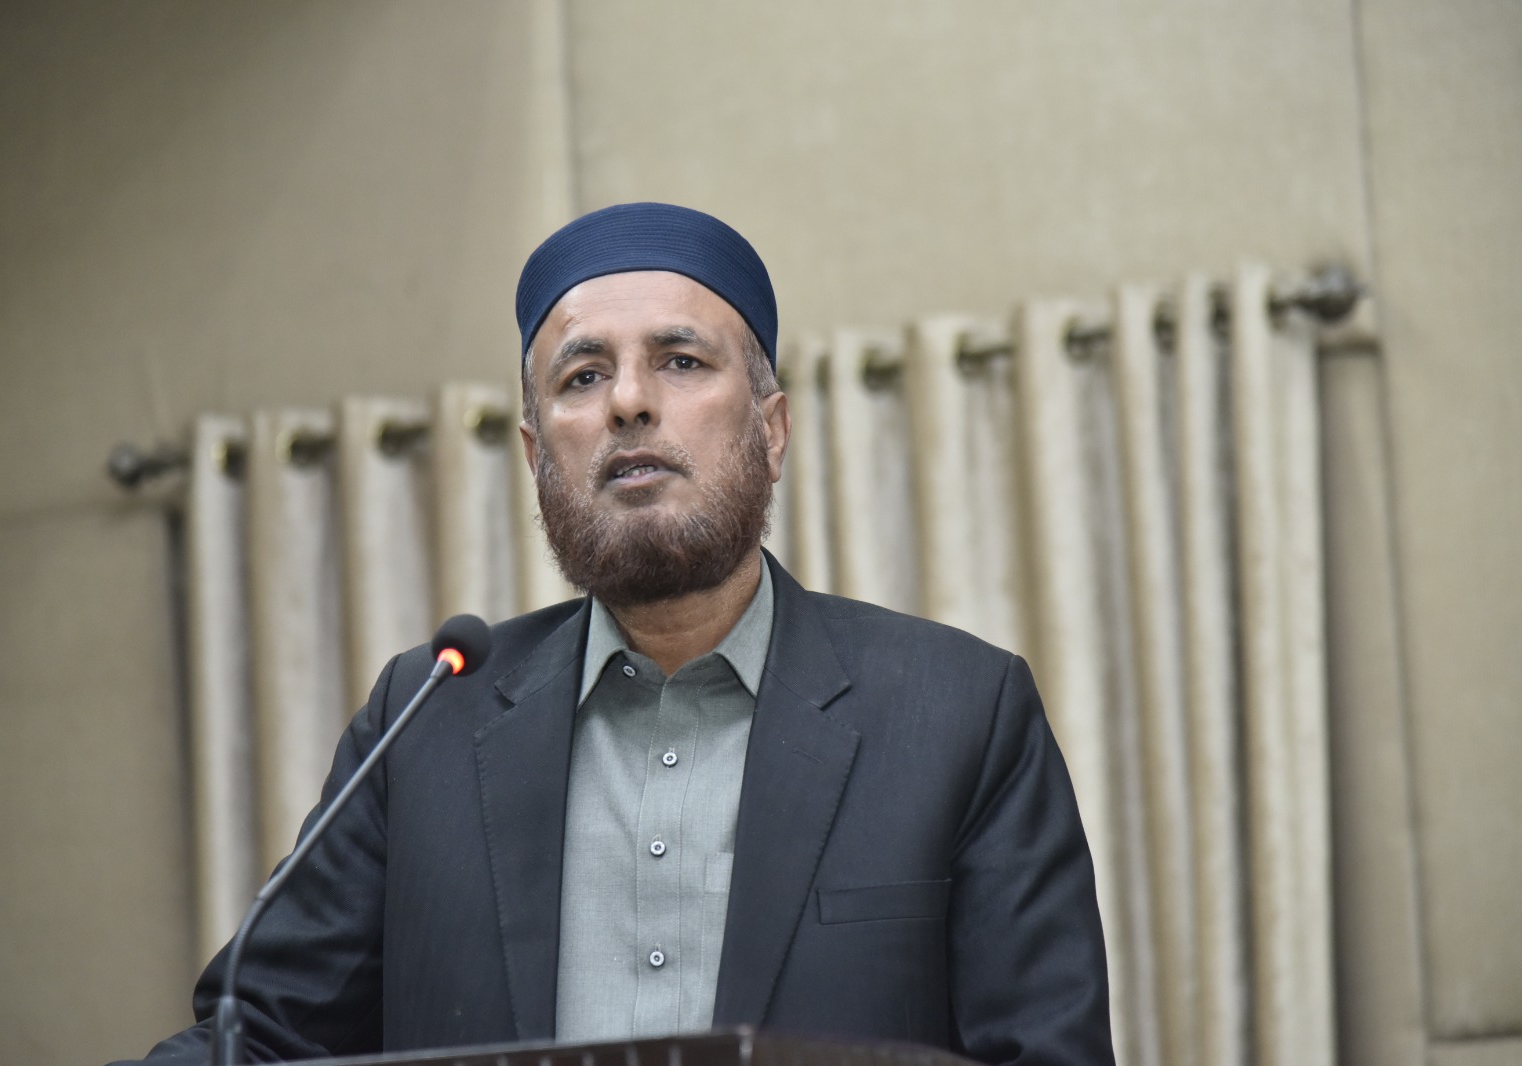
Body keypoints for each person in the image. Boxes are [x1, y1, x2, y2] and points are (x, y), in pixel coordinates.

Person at [116, 203, 1113, 1065]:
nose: (629, 401)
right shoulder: (425, 723)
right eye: (583, 376)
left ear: (771, 430)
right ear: (535, 453)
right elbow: (260, 1034)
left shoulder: (958, 717)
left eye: (680, 362)